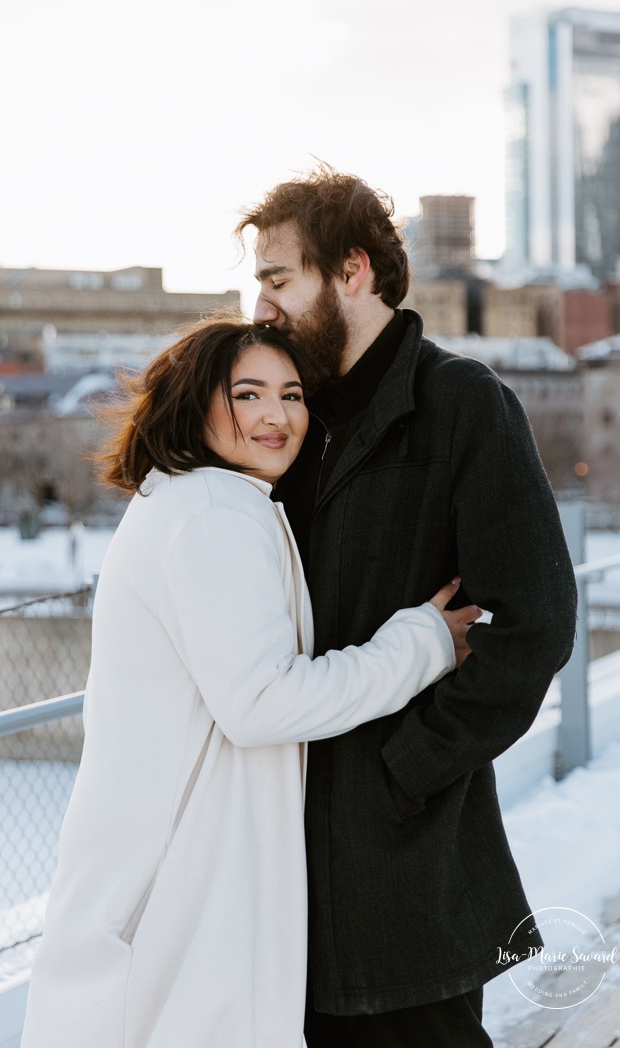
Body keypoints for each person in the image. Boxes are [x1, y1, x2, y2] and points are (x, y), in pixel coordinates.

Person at [20, 316, 481, 1048]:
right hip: (188, 869)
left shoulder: (189, 500)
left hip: (173, 853)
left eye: (292, 394)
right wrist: (420, 642)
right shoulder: (212, 512)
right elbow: (262, 702)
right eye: (248, 393)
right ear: (195, 402)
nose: (276, 415)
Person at [237, 167, 578, 1047]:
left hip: (410, 861)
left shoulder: (463, 404)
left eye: (278, 280)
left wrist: (405, 770)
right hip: (281, 852)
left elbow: (534, 623)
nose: (262, 307)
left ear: (351, 271)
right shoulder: (292, 420)